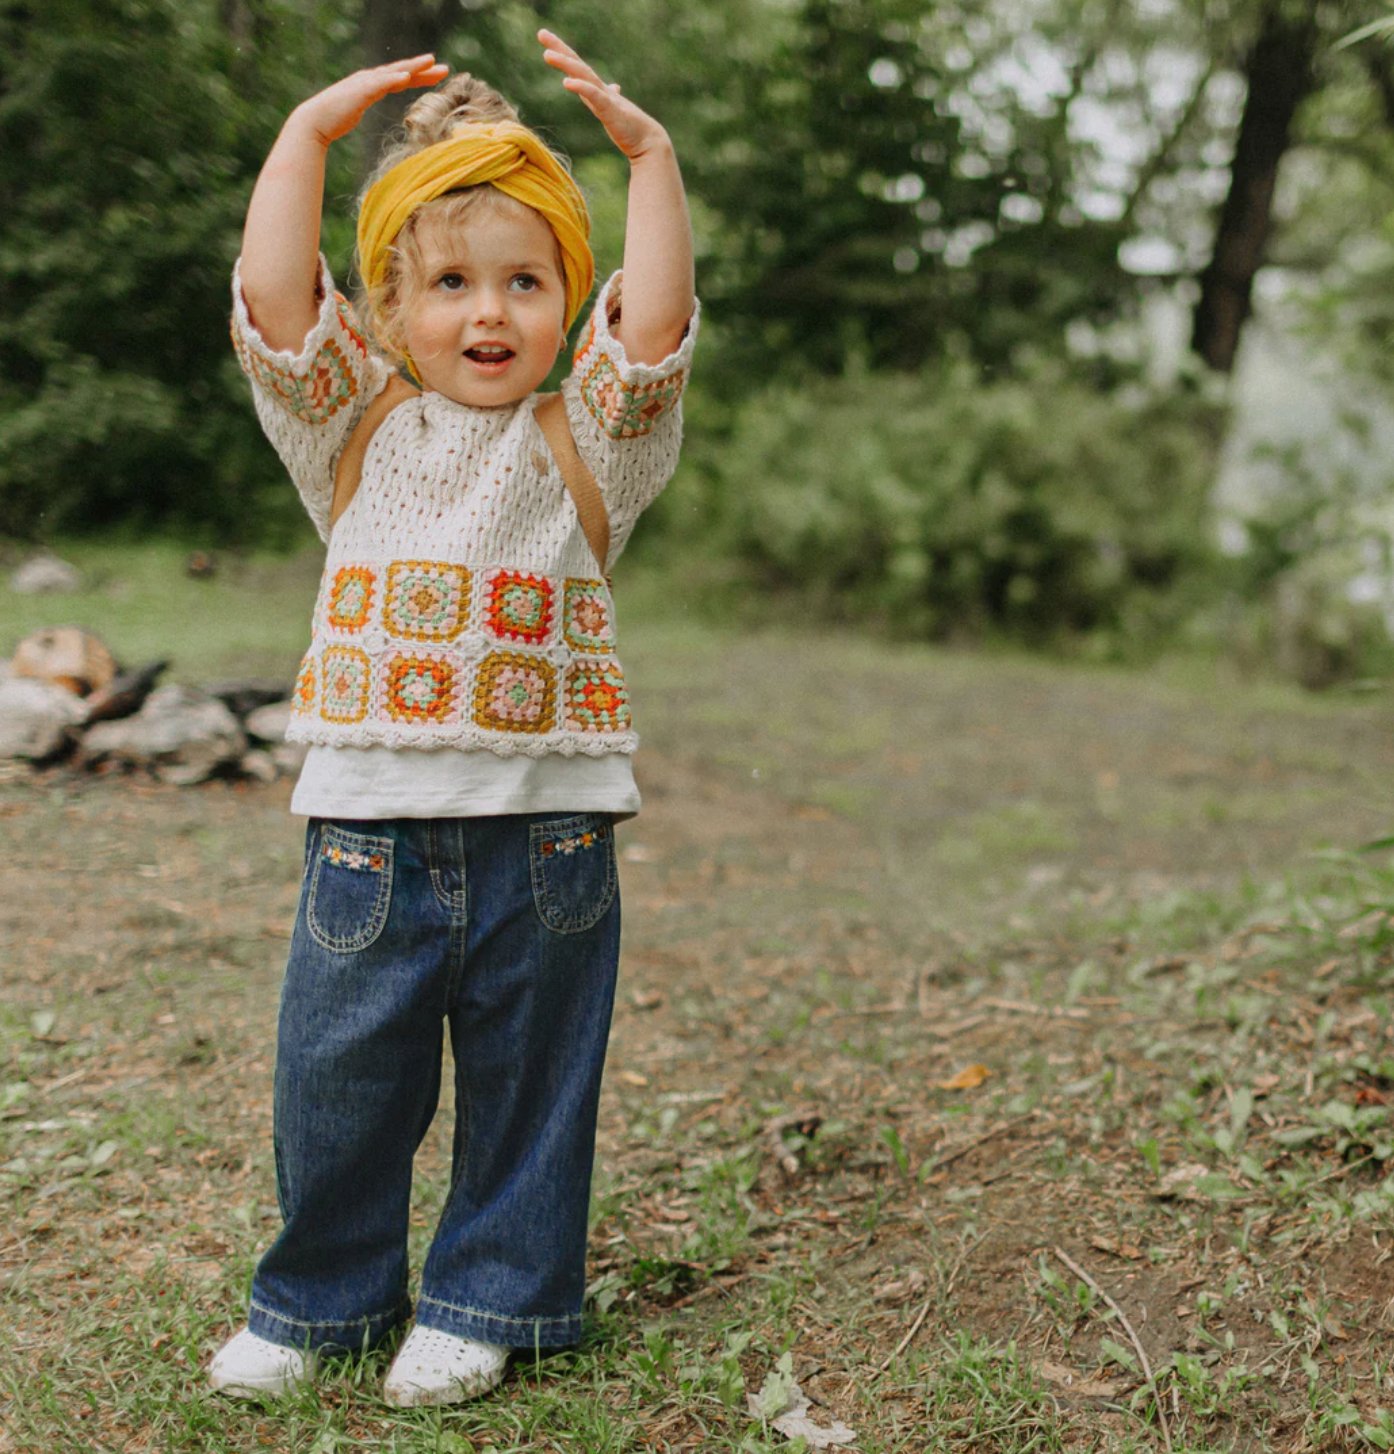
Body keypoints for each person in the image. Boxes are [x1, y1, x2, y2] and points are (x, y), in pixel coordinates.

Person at [208, 32, 696, 1407]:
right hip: (365, 833)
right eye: (450, 283)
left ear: (565, 301)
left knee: (530, 1086)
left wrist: (648, 159)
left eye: (524, 281)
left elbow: (653, 334)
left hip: (544, 840)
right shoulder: (352, 427)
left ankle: (489, 1294)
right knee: (335, 1081)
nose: (488, 312)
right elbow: (269, 299)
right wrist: (304, 140)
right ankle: (320, 1300)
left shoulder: (588, 443)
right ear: (385, 306)